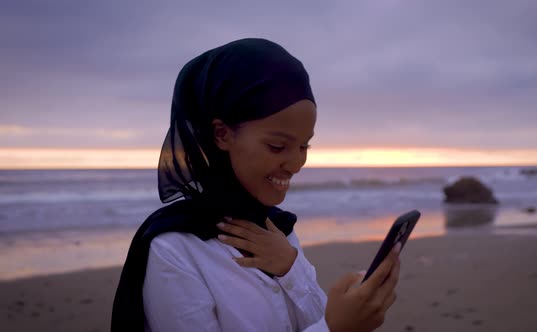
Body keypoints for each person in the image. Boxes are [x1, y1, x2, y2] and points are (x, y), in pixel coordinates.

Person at [111, 38, 402, 332]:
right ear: (222, 134)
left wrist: (291, 268)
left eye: (304, 146)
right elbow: (328, 327)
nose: (296, 164)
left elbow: (316, 320)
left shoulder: (275, 231)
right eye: (278, 146)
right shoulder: (175, 250)